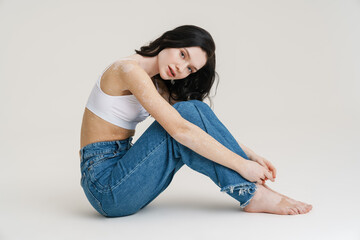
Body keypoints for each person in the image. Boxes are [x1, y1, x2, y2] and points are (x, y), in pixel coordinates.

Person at [79, 25, 312, 217]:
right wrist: (243, 166)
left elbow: (197, 127)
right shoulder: (128, 69)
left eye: (190, 68)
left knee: (192, 109)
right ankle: (252, 193)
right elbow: (182, 130)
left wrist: (248, 153)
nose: (181, 68)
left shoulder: (157, 85)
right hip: (105, 187)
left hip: (125, 175)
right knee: (186, 114)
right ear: (169, 40)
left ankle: (254, 191)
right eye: (182, 54)